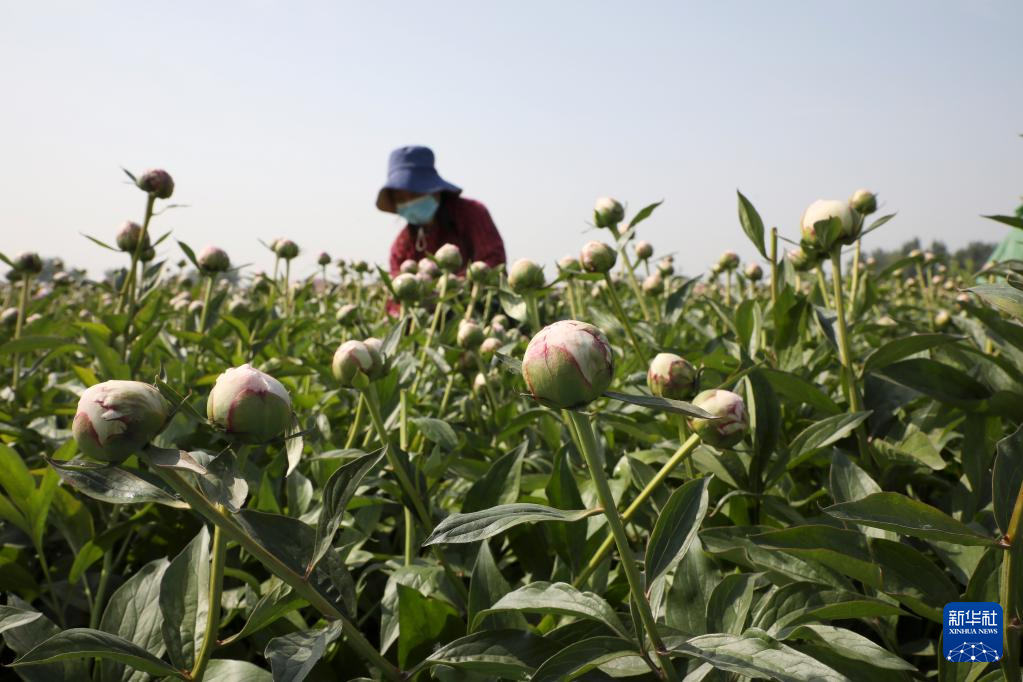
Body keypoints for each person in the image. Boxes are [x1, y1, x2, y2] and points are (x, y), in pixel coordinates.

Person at [377, 146, 506, 276]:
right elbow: (396, 285)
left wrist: (457, 285)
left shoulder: (471, 213)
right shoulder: (402, 246)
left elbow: (494, 262)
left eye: (414, 193)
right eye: (400, 198)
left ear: (434, 190)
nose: (409, 202)